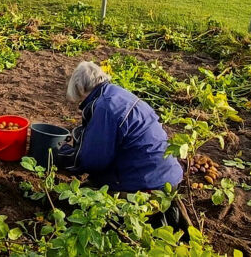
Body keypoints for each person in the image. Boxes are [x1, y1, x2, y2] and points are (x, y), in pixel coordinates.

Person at [56, 61, 188, 232]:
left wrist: (65, 156)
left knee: (81, 199)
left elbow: (94, 161)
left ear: (81, 89)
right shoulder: (118, 94)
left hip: (147, 186)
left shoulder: (104, 107)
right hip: (170, 179)